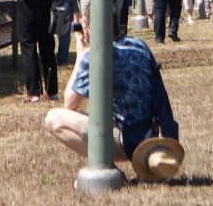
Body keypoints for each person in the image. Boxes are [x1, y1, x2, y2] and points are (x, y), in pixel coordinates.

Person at [43, 19, 183, 182]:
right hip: (153, 133)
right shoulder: (140, 45)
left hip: (127, 138)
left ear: (91, 28)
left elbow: (70, 103)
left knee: (54, 119)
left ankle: (106, 167)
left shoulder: (95, 54)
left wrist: (81, 55)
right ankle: (146, 165)